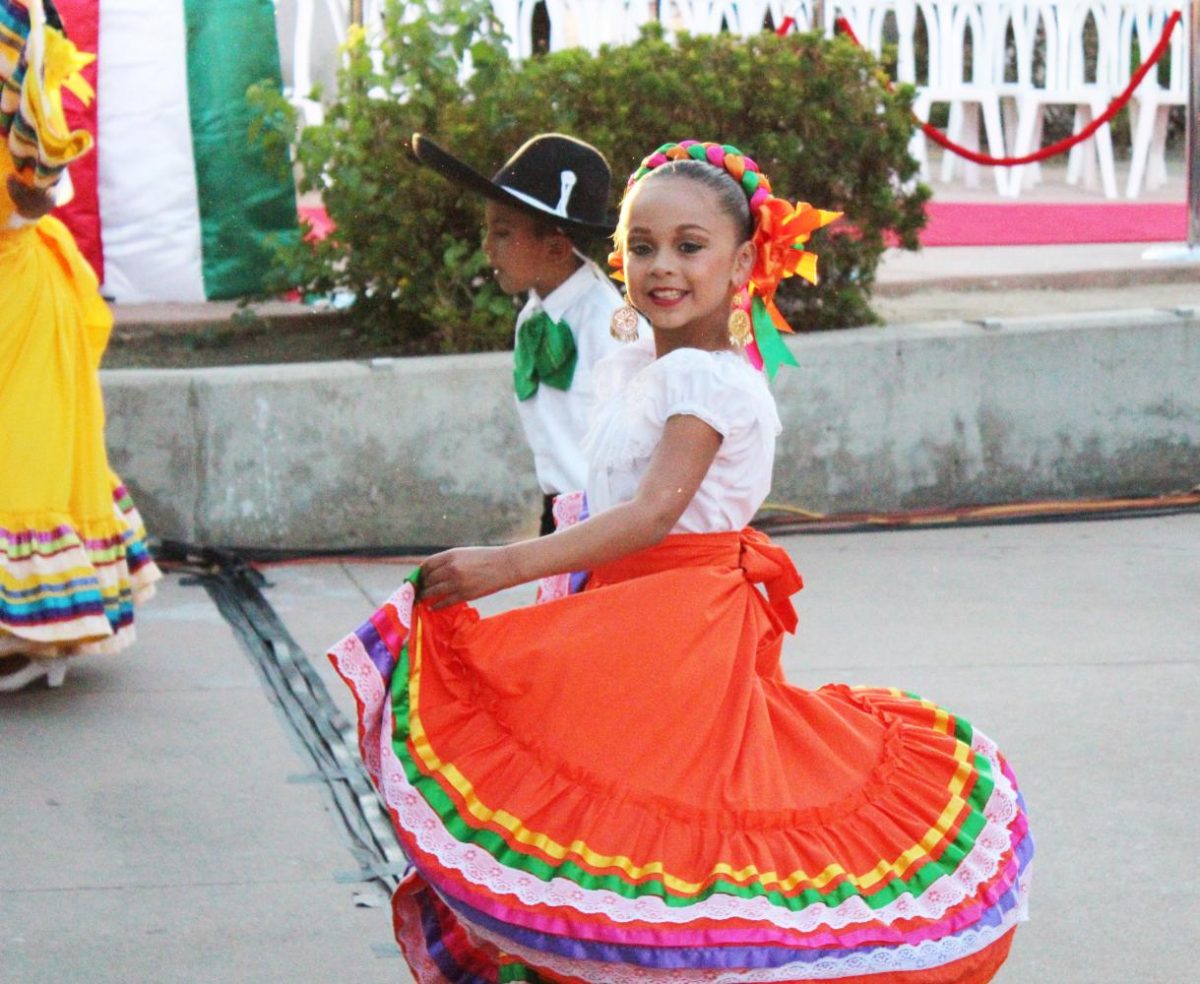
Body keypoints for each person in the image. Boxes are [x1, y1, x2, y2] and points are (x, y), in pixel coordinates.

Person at [328, 139, 1031, 982]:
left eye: (690, 247)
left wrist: (501, 567)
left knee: (676, 832)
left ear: (743, 264)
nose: (663, 267)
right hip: (620, 612)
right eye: (644, 246)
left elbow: (655, 513)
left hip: (678, 628)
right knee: (602, 822)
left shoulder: (709, 382)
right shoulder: (639, 363)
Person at [0, 0, 161, 691]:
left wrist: (31, 168)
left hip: (17, 289)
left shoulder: (21, 27)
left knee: (24, 458)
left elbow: (32, 193)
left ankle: (26, 634)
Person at [412, 132, 645, 535]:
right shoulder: (534, 316)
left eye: (501, 233)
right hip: (558, 512)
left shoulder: (610, 325)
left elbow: (640, 439)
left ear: (555, 249)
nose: (486, 246)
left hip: (605, 519)